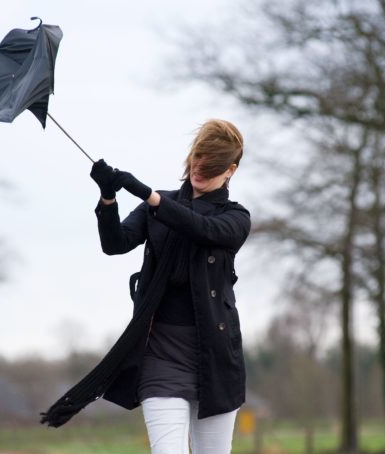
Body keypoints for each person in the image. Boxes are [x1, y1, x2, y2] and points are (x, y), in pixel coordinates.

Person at [89, 119, 251, 454]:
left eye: (211, 167)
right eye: (197, 160)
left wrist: (149, 196)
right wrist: (108, 198)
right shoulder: (157, 205)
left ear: (231, 170)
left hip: (215, 359)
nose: (199, 170)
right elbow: (115, 243)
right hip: (160, 355)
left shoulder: (235, 218)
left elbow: (202, 228)